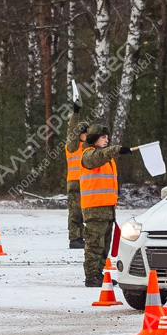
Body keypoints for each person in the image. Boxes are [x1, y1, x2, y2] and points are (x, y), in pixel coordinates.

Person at [80, 124, 135, 287]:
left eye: (107, 137)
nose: (107, 140)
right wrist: (117, 149)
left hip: (107, 208)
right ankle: (91, 276)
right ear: (94, 139)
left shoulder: (105, 158)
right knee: (94, 244)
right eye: (103, 137)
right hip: (94, 208)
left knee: (104, 245)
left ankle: (98, 273)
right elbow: (99, 157)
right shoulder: (88, 155)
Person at [65, 101, 89, 249]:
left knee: (85, 212)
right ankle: (75, 238)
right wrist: (75, 114)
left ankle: (82, 237)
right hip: (75, 182)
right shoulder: (72, 146)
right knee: (75, 212)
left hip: (86, 183)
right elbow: (71, 131)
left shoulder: (87, 148)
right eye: (84, 132)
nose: (86, 135)